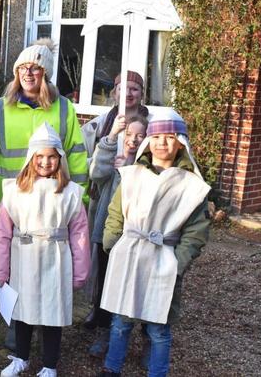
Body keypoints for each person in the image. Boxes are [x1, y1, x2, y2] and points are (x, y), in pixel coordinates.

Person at [0, 38, 88, 350]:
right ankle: (18, 347)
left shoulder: (63, 109)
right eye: (23, 67)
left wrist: (82, 199)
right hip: (13, 205)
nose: (28, 72)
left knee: (50, 280)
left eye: (36, 68)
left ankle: (47, 344)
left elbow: (76, 154)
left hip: (53, 206)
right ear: (15, 73)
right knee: (15, 278)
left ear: (46, 75)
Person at [96, 109, 211, 377]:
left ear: (180, 141)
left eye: (169, 137)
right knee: (121, 320)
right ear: (149, 141)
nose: (162, 142)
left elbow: (196, 231)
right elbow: (116, 212)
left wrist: (177, 262)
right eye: (157, 136)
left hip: (165, 258)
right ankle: (112, 368)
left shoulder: (191, 184)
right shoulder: (133, 175)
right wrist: (112, 245)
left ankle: (157, 373)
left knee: (158, 326)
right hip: (131, 253)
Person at [0, 123, 90, 377]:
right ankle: (20, 357)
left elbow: (79, 233)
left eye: (52, 157)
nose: (46, 162)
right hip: (23, 257)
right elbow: (3, 232)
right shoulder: (15, 191)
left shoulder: (70, 193)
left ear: (60, 158)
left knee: (52, 312)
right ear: (31, 158)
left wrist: (80, 271)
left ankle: (49, 365)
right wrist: (1, 268)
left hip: (56, 259)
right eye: (40, 157)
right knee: (23, 312)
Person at [80, 71, 151, 330]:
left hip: (138, 210)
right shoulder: (101, 123)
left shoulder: (151, 124)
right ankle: (97, 311)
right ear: (114, 93)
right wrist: (110, 146)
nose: (129, 93)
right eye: (123, 88)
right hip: (104, 204)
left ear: (142, 94)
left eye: (135, 88)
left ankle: (131, 319)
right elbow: (89, 164)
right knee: (102, 259)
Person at [85, 115, 148, 358]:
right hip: (108, 235)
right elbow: (96, 173)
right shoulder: (114, 163)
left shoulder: (147, 167)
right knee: (105, 284)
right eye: (129, 134)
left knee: (135, 286)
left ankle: (144, 336)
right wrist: (111, 137)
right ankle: (104, 330)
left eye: (139, 135)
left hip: (136, 236)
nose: (133, 140)